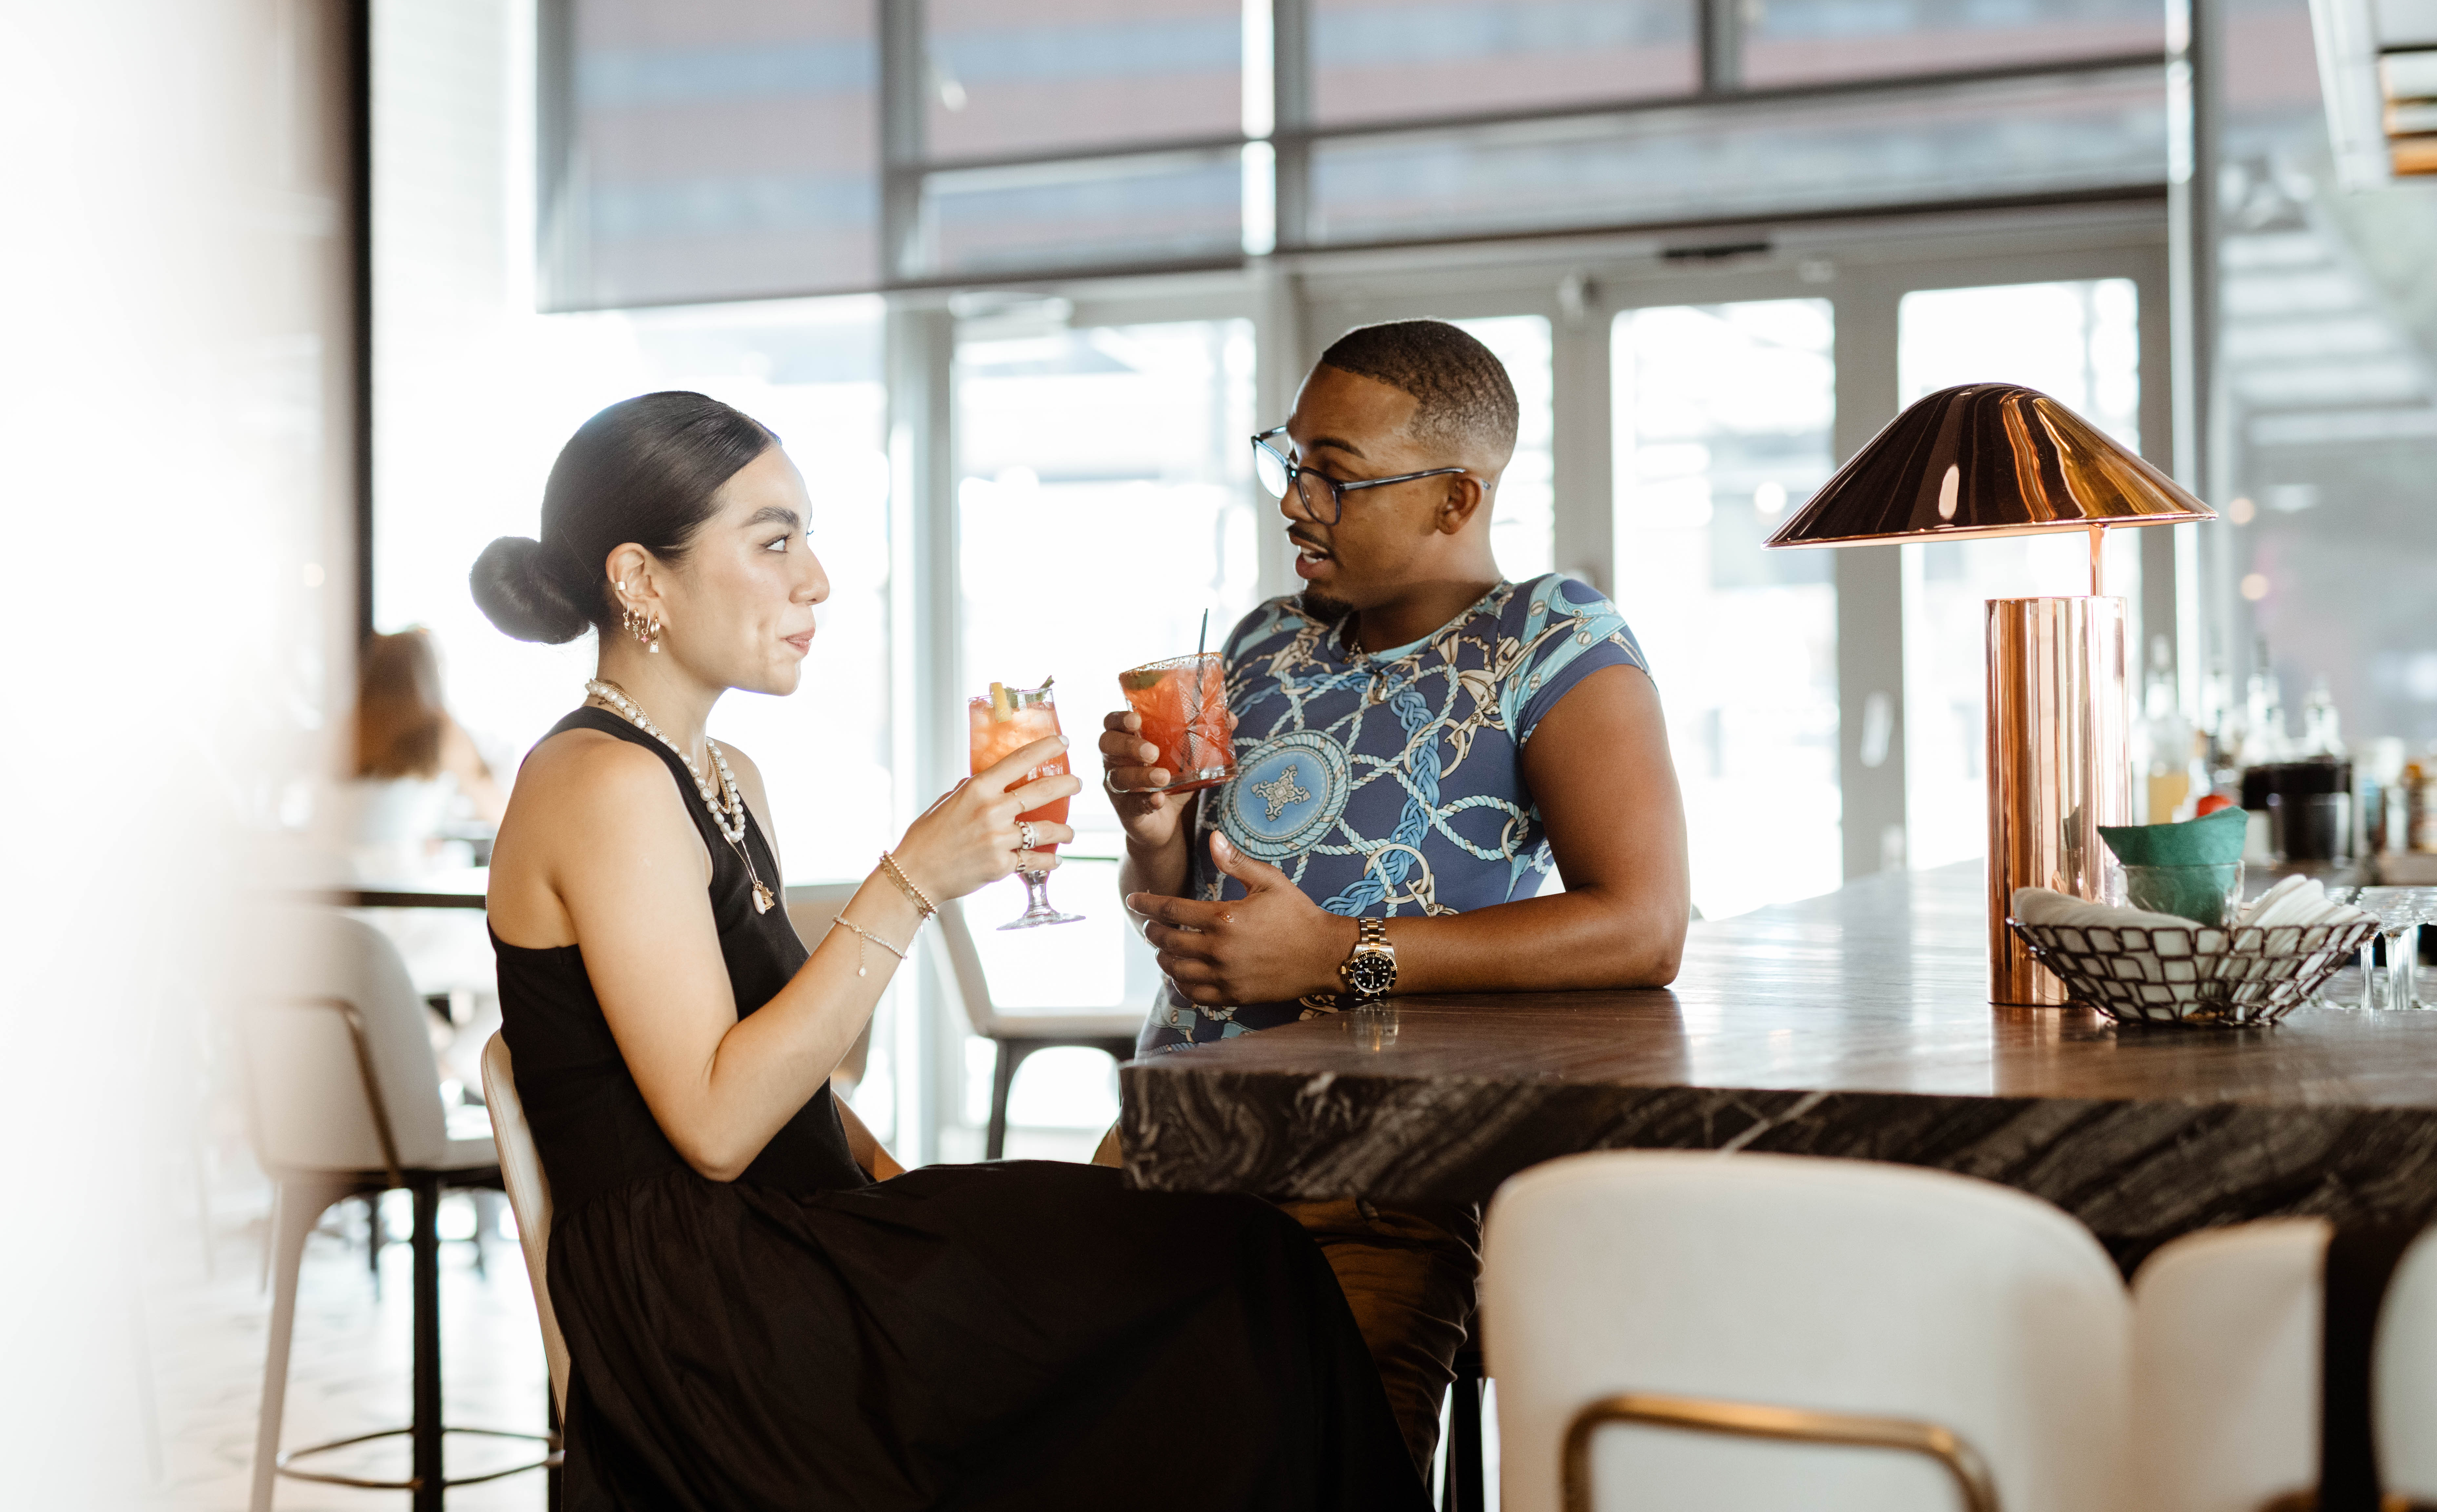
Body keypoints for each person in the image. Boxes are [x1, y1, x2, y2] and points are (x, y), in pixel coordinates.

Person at [475, 391, 1425, 1512]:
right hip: (715, 1321)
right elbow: (720, 1126)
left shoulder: (721, 773)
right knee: (1237, 1281)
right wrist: (916, 878)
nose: (815, 579)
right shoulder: (602, 782)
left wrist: (925, 1196)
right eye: (774, 539)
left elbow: (793, 1091)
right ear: (640, 578)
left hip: (799, 1248)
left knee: (1239, 1268)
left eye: (810, 539)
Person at [1101, 319, 1691, 1478]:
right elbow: (1187, 907)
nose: (1296, 503)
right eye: (1292, 459)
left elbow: (1642, 923)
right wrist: (1157, 832)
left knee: (1319, 1469)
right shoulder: (1267, 643)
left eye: (1338, 474)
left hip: (1371, 1174)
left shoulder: (1550, 639)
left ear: (1455, 498)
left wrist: (1337, 955)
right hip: (1174, 1140)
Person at [343, 626, 506, 882]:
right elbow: (501, 814)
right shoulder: (440, 732)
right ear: (430, 675)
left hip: (326, 897)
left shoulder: (342, 727)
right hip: (395, 894)